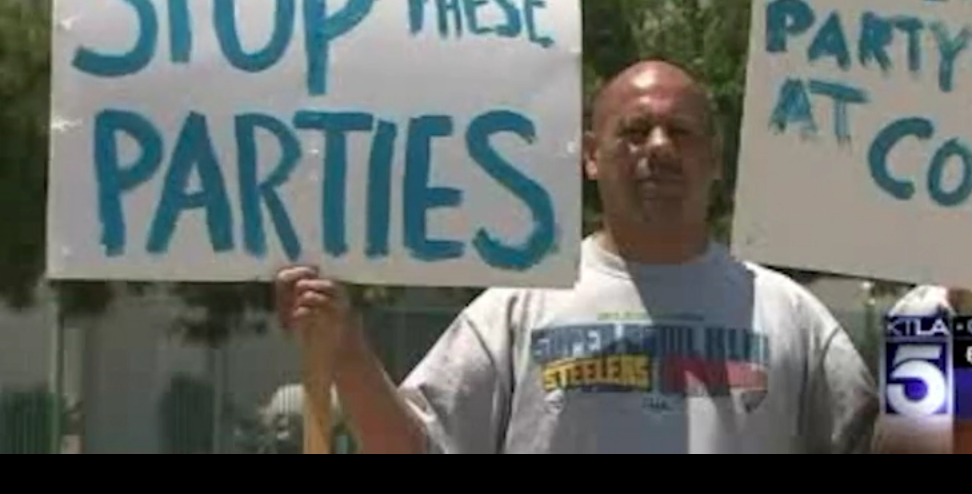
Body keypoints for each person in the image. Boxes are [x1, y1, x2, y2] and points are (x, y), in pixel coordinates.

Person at [275, 59, 881, 454]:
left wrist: (959, 330)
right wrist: (348, 351)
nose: (659, 148)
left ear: (716, 161)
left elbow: (914, 444)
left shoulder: (790, 313)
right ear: (592, 155)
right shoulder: (519, 306)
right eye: (635, 131)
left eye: (682, 132)